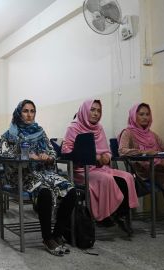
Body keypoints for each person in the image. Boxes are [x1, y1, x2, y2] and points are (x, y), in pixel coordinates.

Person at [0, 100, 76, 256]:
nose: (29, 114)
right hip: (22, 175)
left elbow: (53, 152)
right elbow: (0, 153)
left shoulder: (40, 132)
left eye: (32, 111)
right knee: (44, 192)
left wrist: (48, 157)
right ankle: (47, 238)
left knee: (71, 190)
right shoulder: (11, 133)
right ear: (19, 113)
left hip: (43, 172)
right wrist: (24, 155)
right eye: (25, 111)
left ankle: (57, 234)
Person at [62, 99, 138, 236]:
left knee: (127, 177)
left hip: (101, 168)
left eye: (99, 111)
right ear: (85, 110)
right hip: (82, 171)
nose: (96, 113)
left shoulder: (99, 128)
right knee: (106, 179)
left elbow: (107, 150)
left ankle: (120, 215)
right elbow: (66, 151)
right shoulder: (73, 128)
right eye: (93, 110)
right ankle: (106, 215)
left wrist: (107, 157)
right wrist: (94, 157)